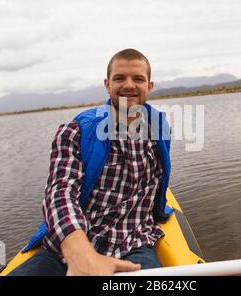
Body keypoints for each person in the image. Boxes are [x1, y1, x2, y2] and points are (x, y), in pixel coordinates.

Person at [9, 48, 173, 276]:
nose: (128, 85)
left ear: (150, 86)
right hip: (70, 248)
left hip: (134, 243)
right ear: (107, 84)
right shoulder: (76, 131)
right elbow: (60, 192)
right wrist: (81, 254)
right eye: (119, 78)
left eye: (138, 79)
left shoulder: (160, 130)